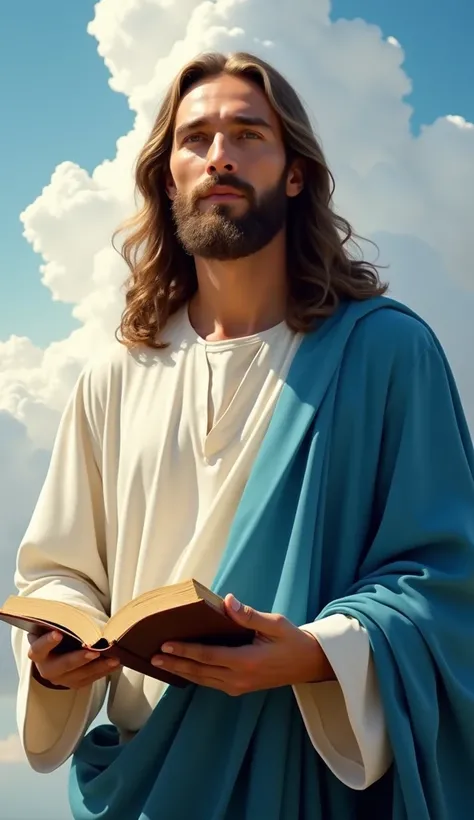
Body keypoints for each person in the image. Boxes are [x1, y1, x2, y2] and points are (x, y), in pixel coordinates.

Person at [11, 51, 474, 820]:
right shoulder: (115, 376)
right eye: (195, 139)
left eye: (248, 134)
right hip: (147, 780)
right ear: (167, 178)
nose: (219, 155)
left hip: (308, 779)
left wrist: (320, 652)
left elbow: (447, 577)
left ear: (295, 173)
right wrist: (55, 657)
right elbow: (60, 572)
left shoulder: (389, 352)